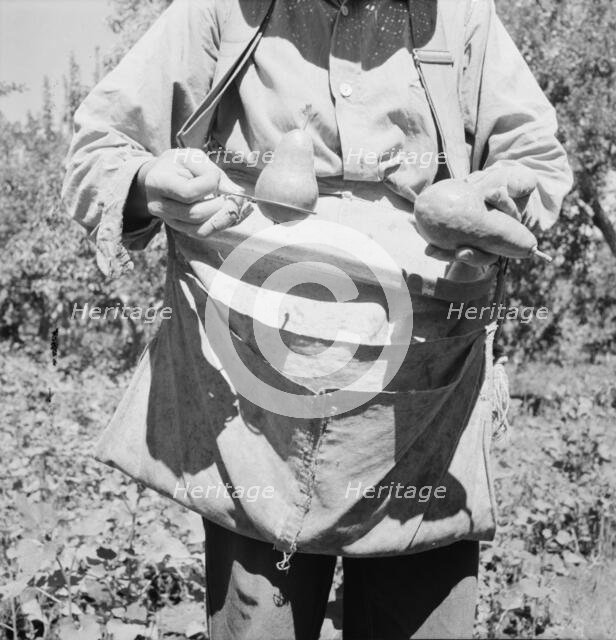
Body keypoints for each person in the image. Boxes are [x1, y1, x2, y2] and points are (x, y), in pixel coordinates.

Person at [62, 1, 572, 638]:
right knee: (258, 623)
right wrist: (145, 180)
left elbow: (539, 164)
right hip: (255, 414)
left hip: (420, 409)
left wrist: (493, 195)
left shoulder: (461, 17)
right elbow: (99, 150)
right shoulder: (220, 10)